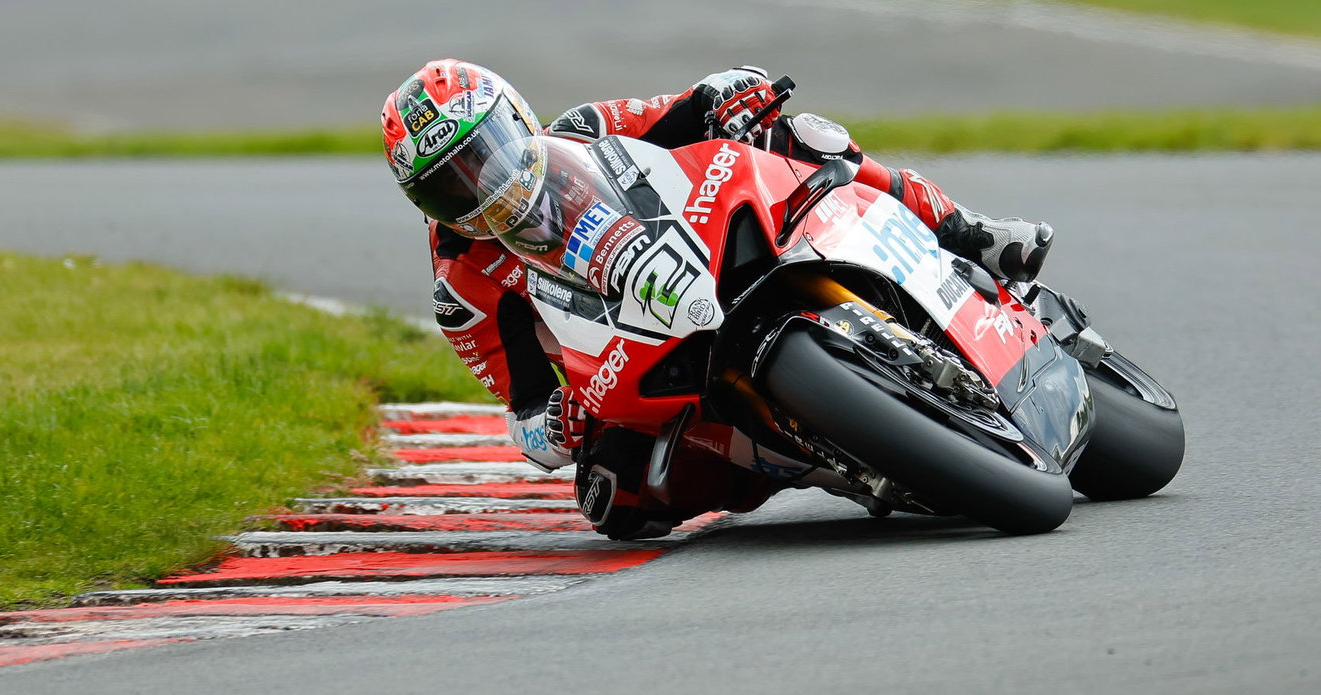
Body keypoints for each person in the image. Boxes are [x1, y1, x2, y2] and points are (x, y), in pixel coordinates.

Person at [382, 59, 1053, 538]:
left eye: (484, 154)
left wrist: (730, 92)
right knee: (612, 501)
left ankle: (967, 230)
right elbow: (522, 406)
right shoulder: (460, 288)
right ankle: (817, 455)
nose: (479, 187)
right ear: (423, 203)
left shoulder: (582, 129)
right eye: (449, 186)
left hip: (700, 249)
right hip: (630, 345)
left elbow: (684, 110)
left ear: (517, 120)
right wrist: (554, 424)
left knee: (802, 136)